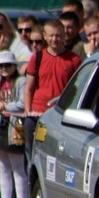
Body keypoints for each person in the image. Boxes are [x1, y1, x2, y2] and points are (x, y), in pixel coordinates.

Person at [23, 19, 81, 165]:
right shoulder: (37, 57)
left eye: (58, 35)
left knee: (57, 155)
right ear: (44, 36)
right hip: (38, 115)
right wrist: (28, 111)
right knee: (33, 153)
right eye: (51, 35)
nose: (55, 39)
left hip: (60, 115)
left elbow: (78, 89)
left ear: (64, 36)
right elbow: (29, 88)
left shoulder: (74, 60)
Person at [0, 51, 26, 198]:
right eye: (0, 66)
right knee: (2, 168)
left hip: (15, 126)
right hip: (1, 126)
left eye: (7, 65)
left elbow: (23, 104)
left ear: (14, 66)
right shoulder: (0, 81)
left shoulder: (20, 81)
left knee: (18, 168)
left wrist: (5, 107)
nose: (4, 69)